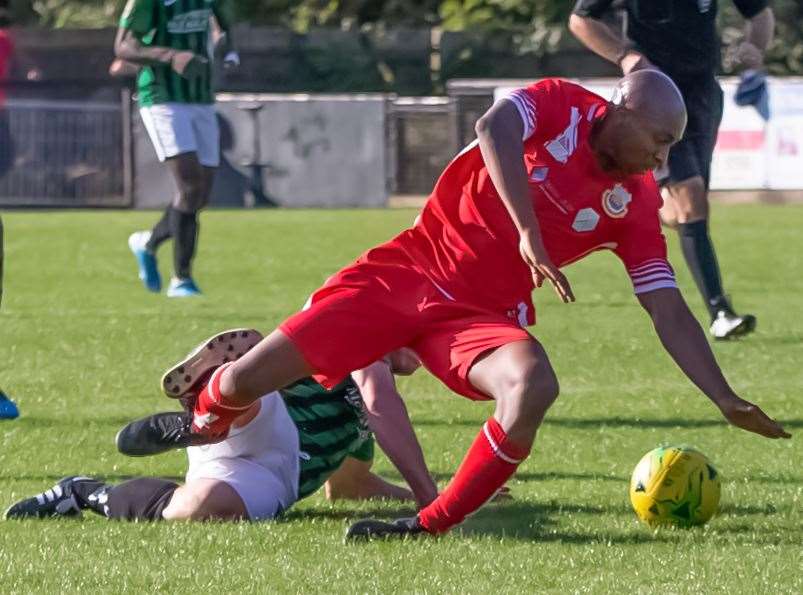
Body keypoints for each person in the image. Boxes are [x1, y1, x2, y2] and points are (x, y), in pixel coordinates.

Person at [136, 71, 790, 540]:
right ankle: (210, 412)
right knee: (248, 377)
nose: (662, 156)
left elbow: (666, 306)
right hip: (405, 273)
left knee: (532, 384)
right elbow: (493, 125)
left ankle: (429, 522)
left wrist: (722, 395)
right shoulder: (560, 104)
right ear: (620, 113)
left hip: (477, 317)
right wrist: (529, 229)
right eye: (659, 138)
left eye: (671, 146)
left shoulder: (637, 200)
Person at [5, 330, 437, 521]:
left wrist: (418, 494)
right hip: (271, 417)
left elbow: (348, 488)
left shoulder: (362, 424)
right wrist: (434, 499)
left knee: (200, 509)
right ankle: (216, 393)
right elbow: (380, 400)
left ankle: (83, 491)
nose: (429, 352)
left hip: (274, 473)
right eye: (423, 337)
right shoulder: (371, 340)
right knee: (250, 398)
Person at [569, 0, 775, 340]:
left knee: (683, 212)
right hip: (653, 100)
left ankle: (641, 204)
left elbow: (761, 14)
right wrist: (625, 55)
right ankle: (720, 311)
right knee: (691, 201)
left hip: (704, 96)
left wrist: (754, 47)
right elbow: (580, 19)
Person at [114, 0, 240, 297]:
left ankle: (148, 243)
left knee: (200, 195)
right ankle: (182, 280)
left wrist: (230, 51)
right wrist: (171, 55)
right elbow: (123, 47)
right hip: (162, 98)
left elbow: (225, 25)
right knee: (190, 184)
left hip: (201, 98)